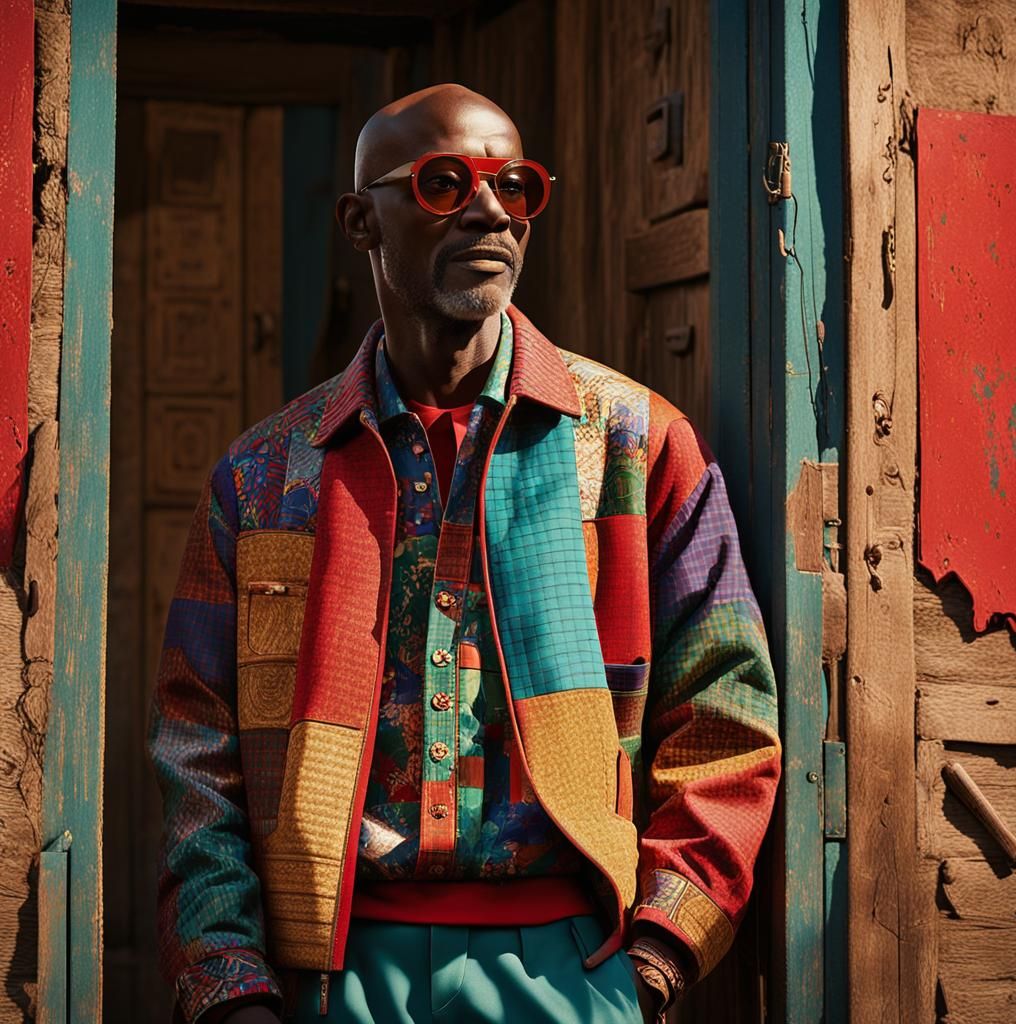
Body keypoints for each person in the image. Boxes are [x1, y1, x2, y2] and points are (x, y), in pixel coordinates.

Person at [149, 83, 781, 1024]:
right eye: (445, 183)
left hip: (577, 966)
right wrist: (232, 988)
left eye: (515, 186)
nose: (491, 210)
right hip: (328, 970)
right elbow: (195, 751)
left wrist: (654, 959)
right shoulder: (264, 475)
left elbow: (728, 713)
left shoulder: (635, 446)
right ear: (361, 221)